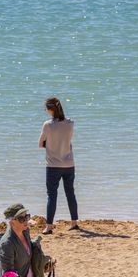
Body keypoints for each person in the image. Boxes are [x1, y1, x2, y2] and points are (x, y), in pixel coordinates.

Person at [38, 97, 79, 234]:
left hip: (53, 165)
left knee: (52, 195)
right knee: (70, 193)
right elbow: (67, 140)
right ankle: (74, 222)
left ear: (50, 110)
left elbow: (40, 143)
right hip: (69, 164)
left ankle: (49, 226)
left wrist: (50, 146)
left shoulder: (47, 125)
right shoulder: (70, 123)